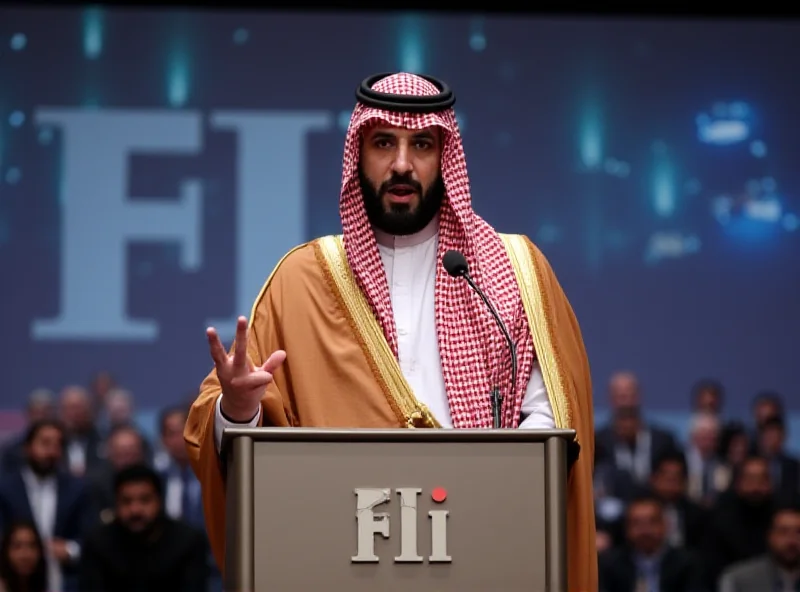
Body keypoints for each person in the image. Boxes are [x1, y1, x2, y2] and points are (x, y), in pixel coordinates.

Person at [184, 72, 596, 590]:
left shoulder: (514, 271)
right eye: (384, 143)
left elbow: (551, 420)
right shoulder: (303, 280)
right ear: (359, 153)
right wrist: (238, 410)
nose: (402, 164)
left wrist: (487, 489)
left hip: (482, 554)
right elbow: (214, 431)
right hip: (340, 559)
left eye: (421, 144)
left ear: (444, 155)